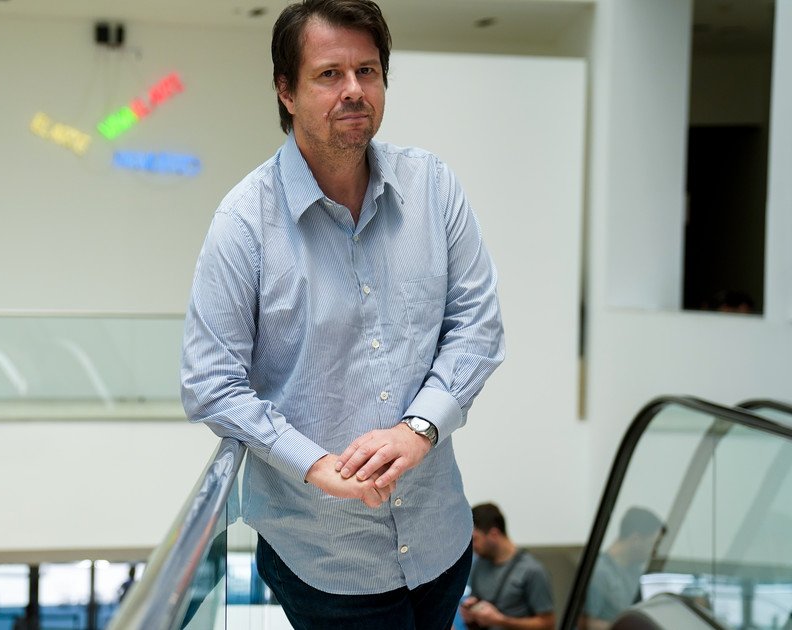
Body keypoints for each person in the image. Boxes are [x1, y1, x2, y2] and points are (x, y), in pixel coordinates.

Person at [179, 0, 505, 627]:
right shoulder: (243, 222)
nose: (354, 89)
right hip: (325, 561)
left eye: (368, 71)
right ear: (286, 91)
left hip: (440, 541)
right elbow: (210, 383)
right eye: (329, 74)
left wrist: (419, 428)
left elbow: (477, 327)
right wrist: (314, 465)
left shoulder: (433, 186)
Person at [460, 503, 555, 630]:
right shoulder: (479, 565)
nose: (472, 546)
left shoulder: (532, 571)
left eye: (475, 539)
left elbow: (548, 624)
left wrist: (501, 621)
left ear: (494, 534)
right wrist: (471, 615)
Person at [582, 507, 666, 629]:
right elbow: (586, 624)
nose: (654, 553)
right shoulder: (600, 572)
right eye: (653, 545)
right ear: (636, 540)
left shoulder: (635, 571)